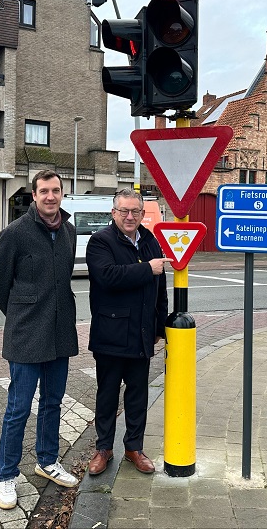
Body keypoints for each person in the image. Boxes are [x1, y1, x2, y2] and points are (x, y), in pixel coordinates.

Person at [0, 170, 79, 510]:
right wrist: (20, 315)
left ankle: (47, 461)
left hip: (59, 332)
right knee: (18, 408)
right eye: (44, 191)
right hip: (26, 334)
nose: (50, 196)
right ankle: (6, 475)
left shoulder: (69, 231)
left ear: (62, 193)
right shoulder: (15, 233)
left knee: (53, 402)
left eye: (56, 190)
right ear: (34, 195)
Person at [85, 189, 170, 476]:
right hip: (110, 334)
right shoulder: (100, 241)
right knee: (107, 395)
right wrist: (147, 269)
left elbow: (160, 289)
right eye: (124, 211)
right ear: (114, 213)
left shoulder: (150, 241)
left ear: (143, 214)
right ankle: (103, 449)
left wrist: (159, 327)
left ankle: (134, 448)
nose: (130, 216)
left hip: (141, 333)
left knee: (138, 396)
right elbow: (107, 276)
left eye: (135, 211)